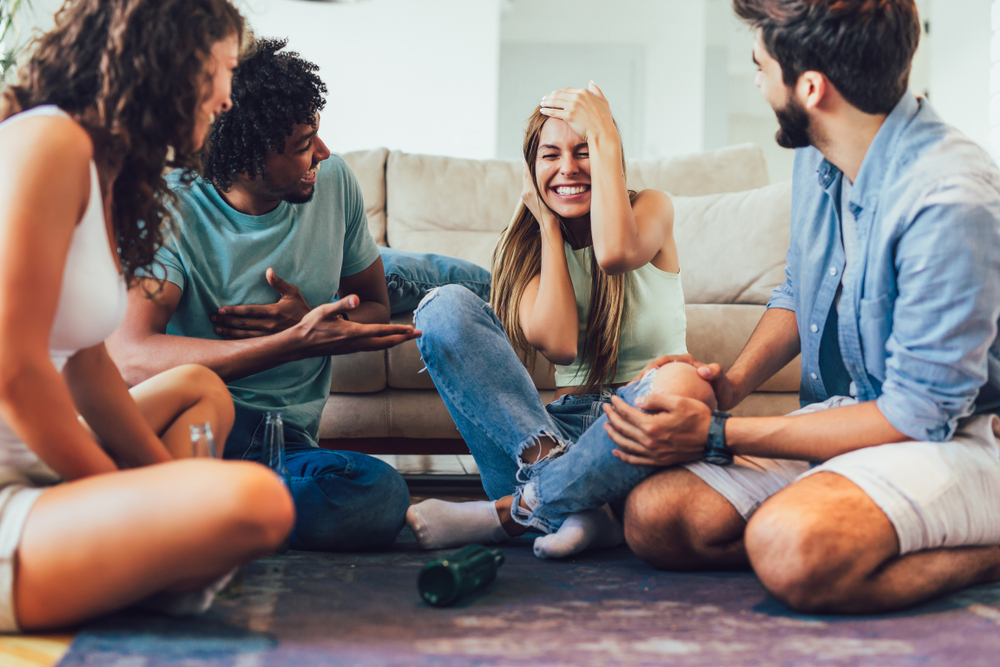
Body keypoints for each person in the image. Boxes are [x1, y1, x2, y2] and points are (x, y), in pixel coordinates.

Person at [602, 0, 1000, 614]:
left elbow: (919, 415)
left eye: (761, 67)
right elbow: (801, 290)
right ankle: (844, 520)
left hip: (962, 434)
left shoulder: (948, 200)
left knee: (789, 547)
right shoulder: (820, 149)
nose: (758, 81)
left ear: (811, 87)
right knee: (658, 519)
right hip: (859, 415)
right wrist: (730, 385)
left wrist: (714, 435)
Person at [108, 37, 475, 553]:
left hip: (286, 445)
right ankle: (215, 507)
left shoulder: (336, 182)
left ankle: (204, 512)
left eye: (318, 134)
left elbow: (369, 304)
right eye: (304, 143)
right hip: (193, 433)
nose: (322, 153)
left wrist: (309, 323)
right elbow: (130, 354)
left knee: (380, 494)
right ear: (247, 158)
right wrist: (293, 342)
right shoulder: (171, 208)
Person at [0, 0, 294, 632]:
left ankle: (142, 557)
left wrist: (162, 487)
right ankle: (148, 556)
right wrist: (119, 490)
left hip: (38, 462)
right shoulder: (51, 140)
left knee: (199, 388)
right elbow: (13, 372)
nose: (226, 97)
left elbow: (85, 363)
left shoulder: (103, 165)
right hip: (9, 486)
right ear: (169, 60)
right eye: (222, 70)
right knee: (258, 503)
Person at [406, 84, 714, 559]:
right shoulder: (524, 251)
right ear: (532, 170)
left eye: (584, 150)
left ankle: (519, 511)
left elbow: (613, 255)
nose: (568, 167)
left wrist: (605, 132)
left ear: (608, 155)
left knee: (682, 383)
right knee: (442, 306)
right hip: (544, 438)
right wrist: (548, 228)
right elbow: (562, 345)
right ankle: (569, 494)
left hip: (639, 426)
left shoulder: (650, 207)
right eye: (551, 155)